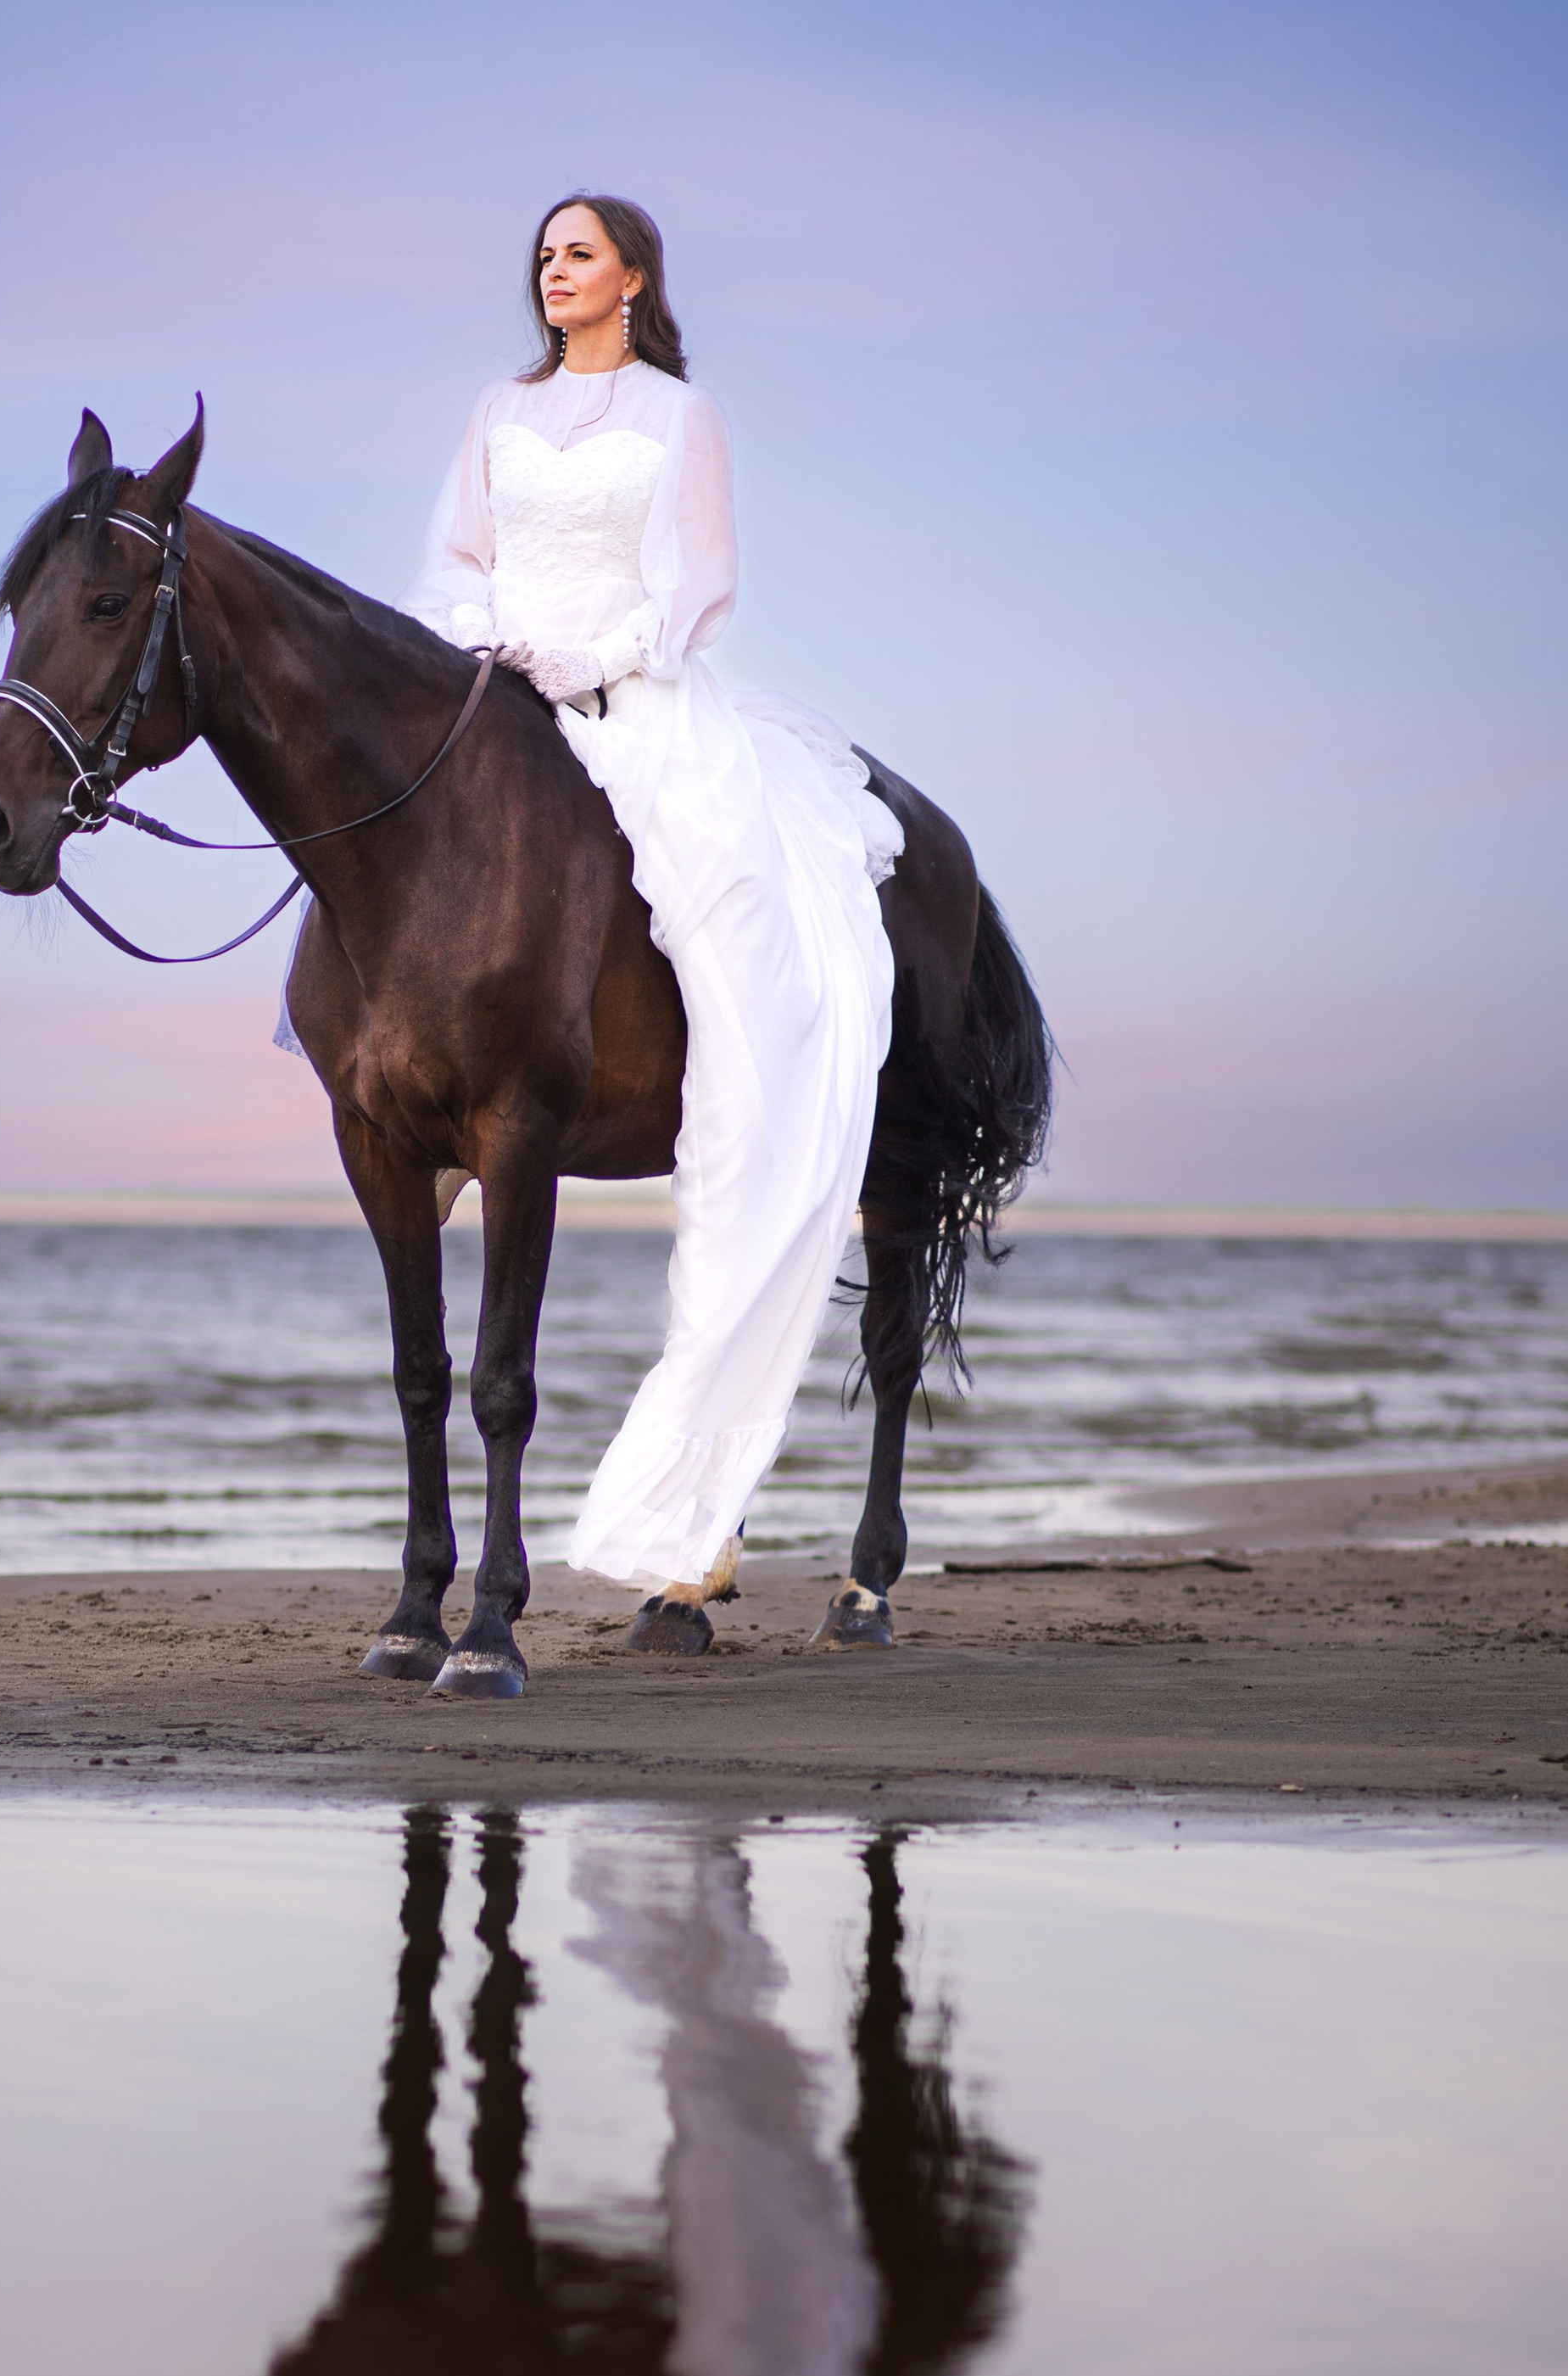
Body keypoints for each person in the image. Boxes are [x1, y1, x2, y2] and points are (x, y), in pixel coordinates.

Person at [405, 196, 903, 1612]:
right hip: (501, 701)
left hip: (641, 708)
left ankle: (707, 1473)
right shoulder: (498, 409)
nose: (551, 270)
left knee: (749, 974)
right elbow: (453, 564)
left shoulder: (683, 416)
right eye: (544, 255)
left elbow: (698, 585)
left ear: (631, 277)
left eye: (577, 252)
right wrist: (488, 649)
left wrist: (595, 657)